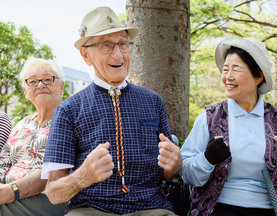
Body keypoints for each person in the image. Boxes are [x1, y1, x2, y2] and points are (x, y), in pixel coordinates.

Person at [41, 6, 182, 216]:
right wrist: (83, 176)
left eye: (123, 44)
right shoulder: (69, 110)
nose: (118, 54)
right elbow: (53, 193)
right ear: (85, 55)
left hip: (151, 208)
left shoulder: (153, 102)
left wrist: (174, 167)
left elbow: (165, 175)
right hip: (90, 210)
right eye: (106, 45)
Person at [181, 37, 277, 216]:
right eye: (225, 69)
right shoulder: (209, 117)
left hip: (270, 209)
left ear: (258, 76)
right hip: (217, 208)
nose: (228, 77)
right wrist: (206, 159)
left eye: (236, 69)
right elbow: (187, 173)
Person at [0, 57, 67, 215]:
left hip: (47, 197)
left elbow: (54, 172)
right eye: (32, 81)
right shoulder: (22, 124)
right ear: (25, 92)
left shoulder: (70, 121)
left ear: (62, 87)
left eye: (48, 79)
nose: (41, 85)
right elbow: (4, 159)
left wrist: (9, 192)